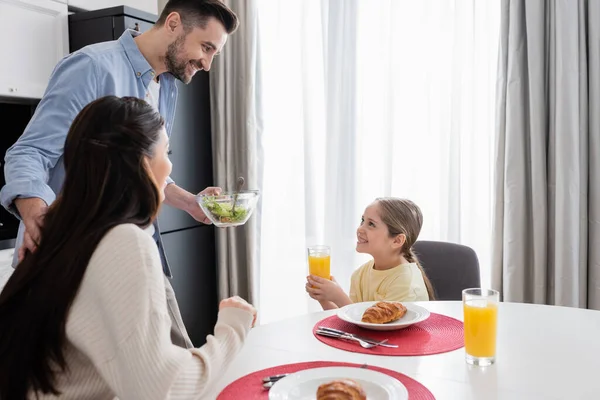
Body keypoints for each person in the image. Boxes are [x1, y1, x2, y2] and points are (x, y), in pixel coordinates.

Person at [0, 0, 239, 348]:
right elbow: (29, 152)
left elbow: (140, 169)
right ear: (173, 23)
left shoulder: (166, 84)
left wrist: (190, 202)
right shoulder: (92, 67)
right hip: (81, 257)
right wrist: (38, 216)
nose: (207, 63)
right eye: (206, 48)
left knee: (178, 361)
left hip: (140, 248)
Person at [0, 96, 257, 400]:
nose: (170, 165)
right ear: (143, 163)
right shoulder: (124, 242)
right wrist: (232, 327)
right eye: (167, 152)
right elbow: (164, 390)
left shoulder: (62, 232)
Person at [306, 198, 434, 309]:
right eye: (362, 220)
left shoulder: (406, 283)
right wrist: (324, 297)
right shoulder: (360, 274)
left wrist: (338, 296)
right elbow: (348, 319)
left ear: (397, 240)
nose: (360, 229)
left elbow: (377, 330)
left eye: (371, 224)